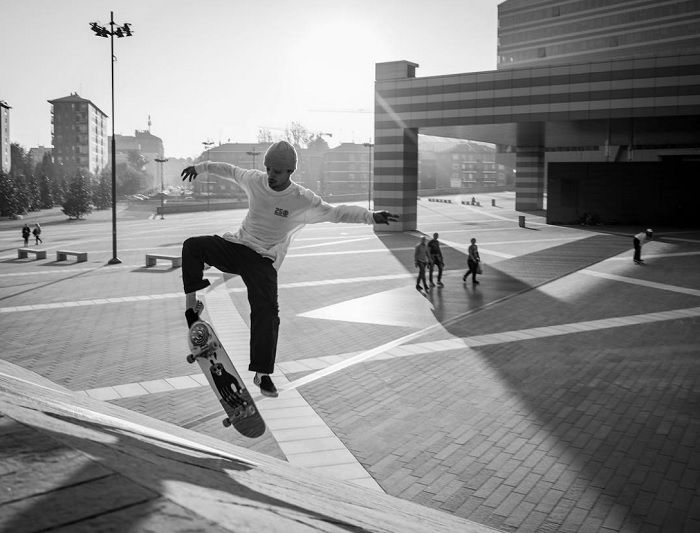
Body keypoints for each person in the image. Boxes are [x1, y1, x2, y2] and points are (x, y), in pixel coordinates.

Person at [180, 140, 398, 398]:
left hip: (263, 259)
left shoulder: (302, 200)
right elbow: (227, 169)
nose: (271, 175)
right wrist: (200, 166)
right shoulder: (254, 180)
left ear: (290, 172)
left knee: (267, 311)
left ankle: (262, 374)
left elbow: (336, 213)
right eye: (269, 169)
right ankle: (192, 309)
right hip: (237, 246)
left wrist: (371, 216)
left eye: (278, 171)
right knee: (192, 246)